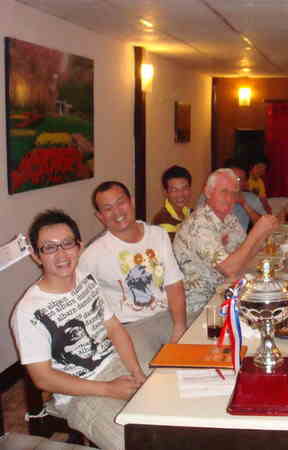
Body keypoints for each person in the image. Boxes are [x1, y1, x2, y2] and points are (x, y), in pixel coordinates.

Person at [12, 210, 146, 450]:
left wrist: (136, 372)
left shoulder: (86, 279)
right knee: (134, 441)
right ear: (36, 255)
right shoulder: (28, 311)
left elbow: (114, 328)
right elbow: (43, 378)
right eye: (49, 247)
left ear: (79, 247)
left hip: (115, 365)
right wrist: (108, 389)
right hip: (78, 394)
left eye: (67, 243)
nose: (61, 254)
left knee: (169, 413)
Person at [79, 181, 187, 369]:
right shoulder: (93, 254)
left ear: (132, 201)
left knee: (199, 358)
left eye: (121, 202)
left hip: (168, 316)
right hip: (131, 328)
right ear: (100, 216)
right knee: (151, 375)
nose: (117, 212)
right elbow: (78, 297)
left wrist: (179, 327)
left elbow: (174, 283)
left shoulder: (158, 235)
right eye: (108, 209)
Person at [174, 168, 279, 315]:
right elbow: (230, 269)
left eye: (234, 193)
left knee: (275, 297)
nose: (230, 198)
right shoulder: (198, 225)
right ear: (208, 192)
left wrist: (263, 234)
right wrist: (256, 232)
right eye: (224, 191)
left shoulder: (229, 217)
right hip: (201, 307)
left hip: (226, 291)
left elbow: (246, 254)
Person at [197, 159, 266, 232]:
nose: (234, 181)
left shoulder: (251, 199)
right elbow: (199, 220)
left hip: (240, 238)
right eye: (231, 177)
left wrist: (244, 204)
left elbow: (266, 226)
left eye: (239, 179)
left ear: (245, 183)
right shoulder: (209, 194)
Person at [152, 165, 193, 241]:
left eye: (184, 188)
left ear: (190, 189)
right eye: (174, 190)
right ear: (165, 192)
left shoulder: (192, 213)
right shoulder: (162, 220)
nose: (180, 194)